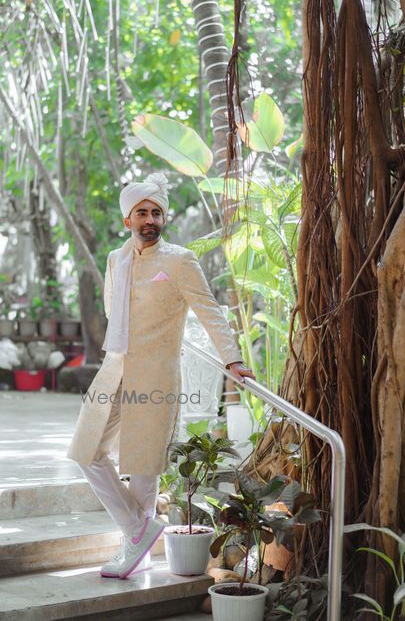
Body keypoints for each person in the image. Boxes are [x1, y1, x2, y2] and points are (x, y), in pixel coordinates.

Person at [66, 172, 255, 579]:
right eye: (142, 213)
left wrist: (233, 360)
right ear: (127, 220)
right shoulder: (116, 260)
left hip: (156, 375)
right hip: (115, 370)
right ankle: (139, 529)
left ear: (163, 218)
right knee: (86, 451)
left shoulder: (179, 260)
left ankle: (136, 550)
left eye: (156, 212)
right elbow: (112, 310)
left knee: (143, 465)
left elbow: (209, 312)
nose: (150, 219)